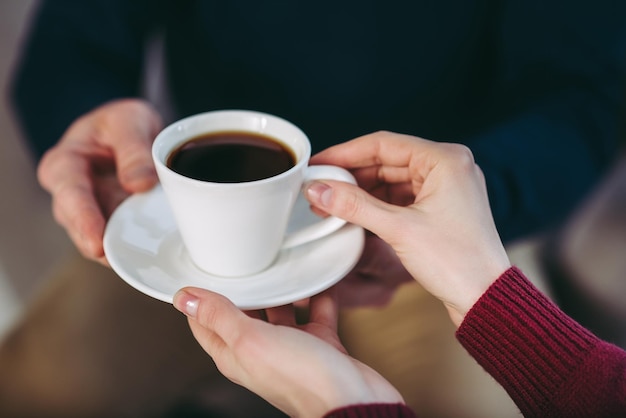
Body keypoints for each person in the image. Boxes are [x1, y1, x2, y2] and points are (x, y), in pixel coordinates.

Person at [3, 0, 626, 416]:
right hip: (179, 230)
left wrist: (480, 203)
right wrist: (90, 129)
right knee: (30, 390)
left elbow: (582, 94)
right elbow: (72, 42)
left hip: (432, 238)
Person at [172, 132, 626, 418]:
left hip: (433, 233)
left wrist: (340, 404)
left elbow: (589, 98)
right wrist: (484, 289)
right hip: (178, 241)